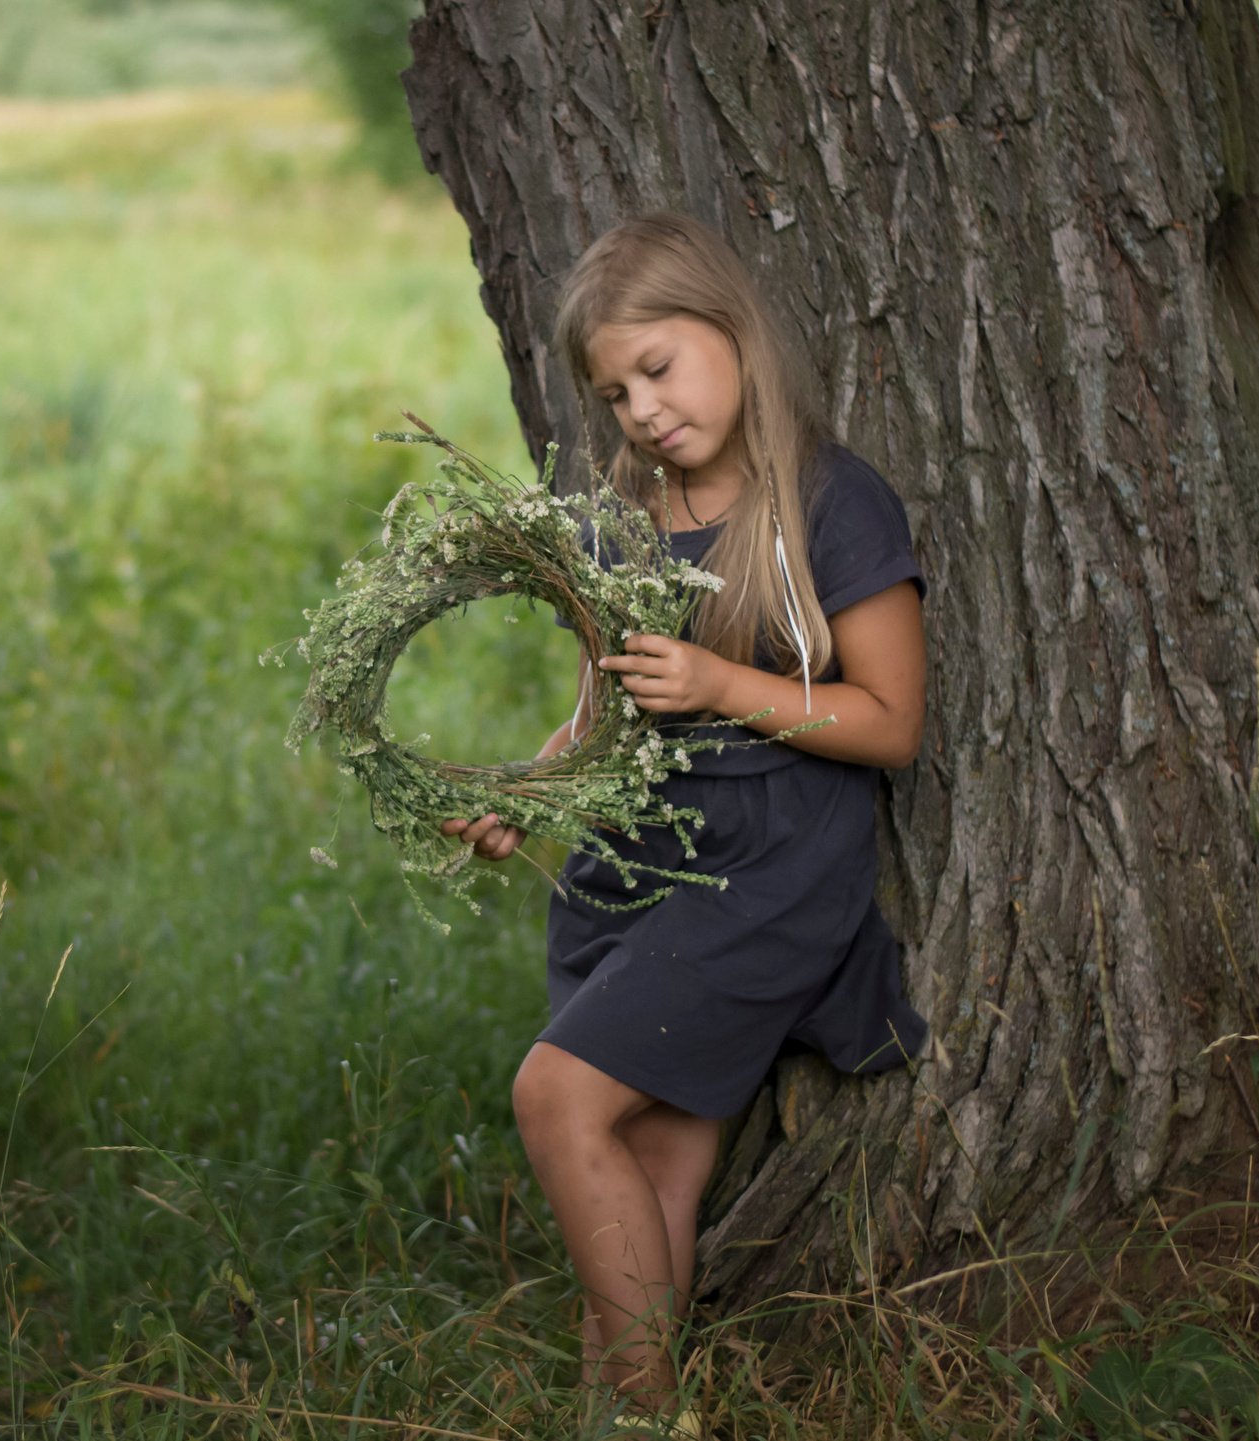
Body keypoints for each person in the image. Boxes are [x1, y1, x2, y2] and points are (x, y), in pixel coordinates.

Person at [439, 212, 930, 1426]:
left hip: (763, 868)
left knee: (557, 1095)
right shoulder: (617, 519)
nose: (644, 411)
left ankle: (651, 1417)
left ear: (733, 332)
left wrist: (721, 684)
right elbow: (599, 718)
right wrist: (528, 793)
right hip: (632, 860)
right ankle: (625, 1410)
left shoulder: (831, 502)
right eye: (616, 394)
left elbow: (889, 722)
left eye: (659, 368)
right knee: (651, 1154)